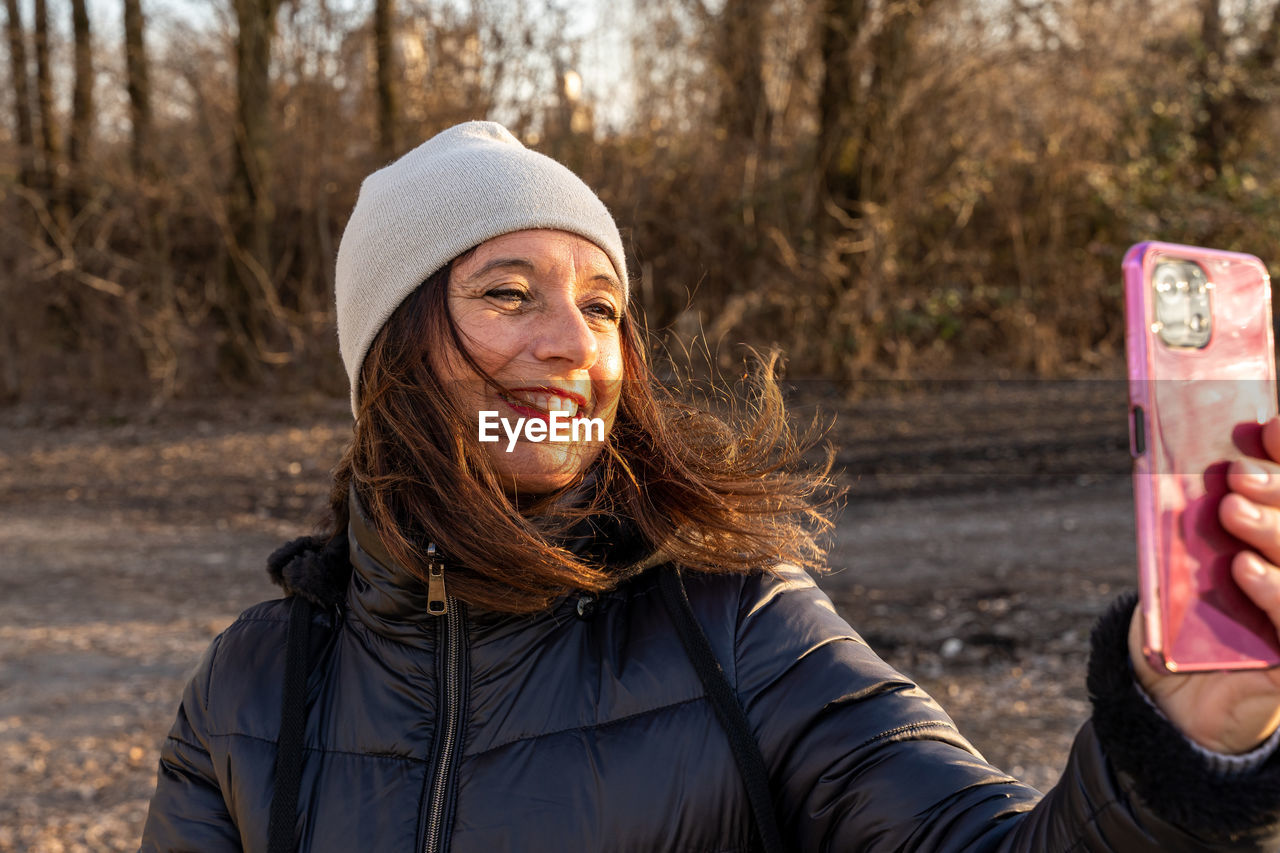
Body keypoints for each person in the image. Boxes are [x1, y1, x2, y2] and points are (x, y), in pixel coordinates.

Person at [140, 121, 1280, 852]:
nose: (572, 345)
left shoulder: (738, 624)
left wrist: (1174, 750)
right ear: (389, 354)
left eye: (599, 306)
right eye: (505, 294)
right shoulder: (255, 682)